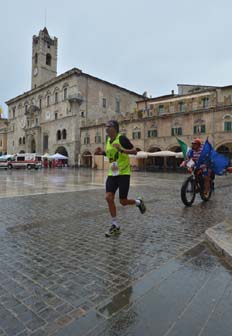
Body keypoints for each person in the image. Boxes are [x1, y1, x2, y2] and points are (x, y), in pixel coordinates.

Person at [97, 120, 146, 237]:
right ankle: (115, 225)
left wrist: (122, 150)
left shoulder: (122, 139)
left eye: (108, 126)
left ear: (114, 128)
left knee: (123, 201)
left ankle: (139, 202)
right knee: (108, 197)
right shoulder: (108, 140)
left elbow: (135, 152)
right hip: (112, 173)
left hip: (124, 173)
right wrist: (103, 152)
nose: (106, 128)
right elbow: (111, 154)